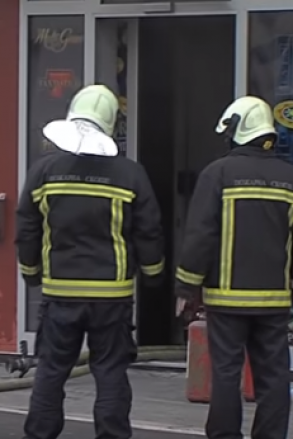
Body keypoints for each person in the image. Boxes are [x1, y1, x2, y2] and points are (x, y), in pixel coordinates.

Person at [16, 84, 164, 439]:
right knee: (110, 371)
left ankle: (40, 434)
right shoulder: (130, 174)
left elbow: (26, 227)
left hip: (60, 292)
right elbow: (149, 231)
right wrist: (153, 274)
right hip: (111, 295)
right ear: (112, 122)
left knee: (51, 369)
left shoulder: (44, 171)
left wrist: (31, 272)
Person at [175, 96, 292, 439]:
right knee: (274, 375)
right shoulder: (289, 177)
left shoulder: (218, 174)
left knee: (226, 373)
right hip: (274, 300)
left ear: (238, 130)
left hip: (227, 300)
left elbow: (200, 235)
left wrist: (186, 287)